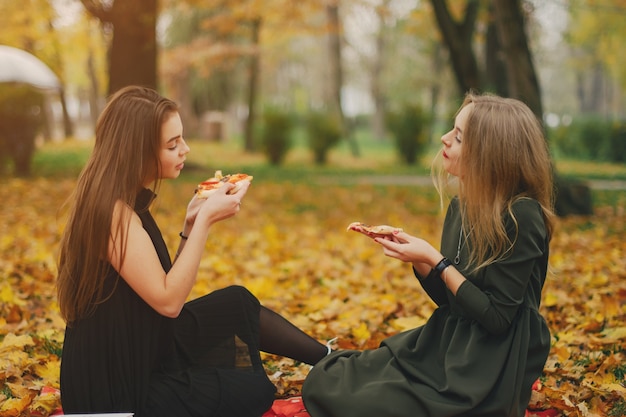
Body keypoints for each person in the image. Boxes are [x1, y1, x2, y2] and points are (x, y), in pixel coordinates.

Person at [56, 85, 329, 417]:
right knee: (248, 390)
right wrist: (205, 223)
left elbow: (159, 286)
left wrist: (189, 224)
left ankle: (332, 360)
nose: (185, 149)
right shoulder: (112, 215)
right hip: (116, 393)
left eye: (181, 138)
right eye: (173, 144)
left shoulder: (123, 198)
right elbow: (169, 303)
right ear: (137, 152)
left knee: (236, 302)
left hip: (141, 348)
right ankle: (333, 368)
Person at [302, 92, 555, 417]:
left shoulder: (523, 215)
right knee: (328, 380)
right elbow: (452, 302)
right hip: (447, 345)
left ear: (489, 153)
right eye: (452, 129)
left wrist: (436, 260)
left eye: (458, 136)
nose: (444, 138)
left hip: (491, 365)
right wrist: (420, 260)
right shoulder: (460, 207)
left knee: (361, 402)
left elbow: (497, 319)